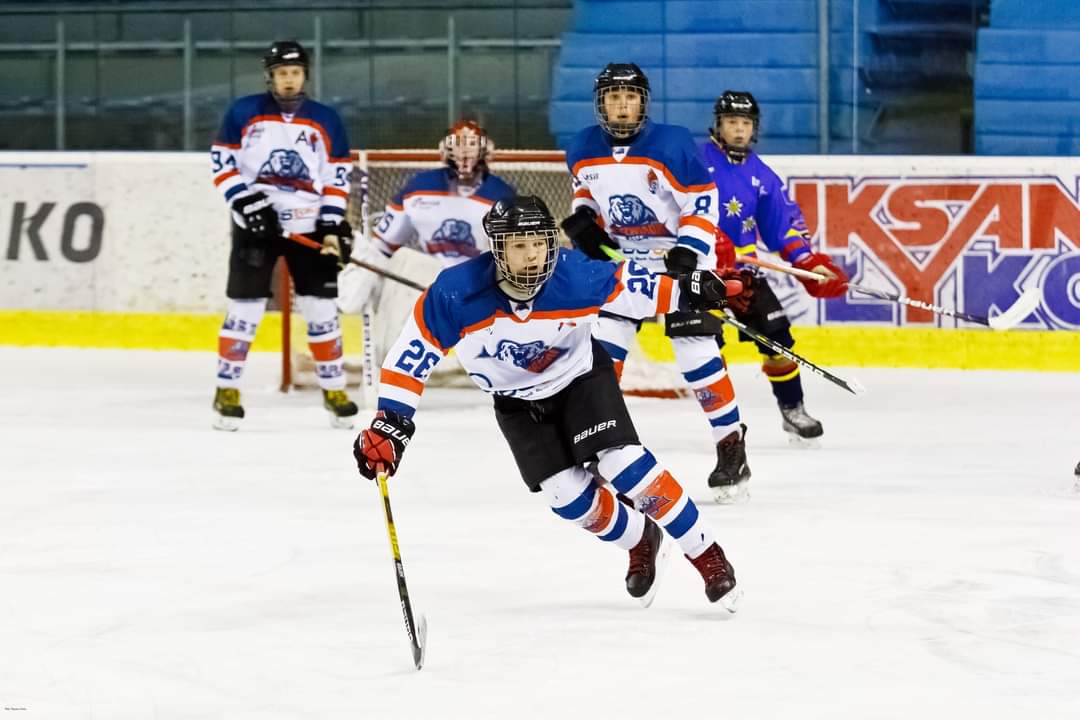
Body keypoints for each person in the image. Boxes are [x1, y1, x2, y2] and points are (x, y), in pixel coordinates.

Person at [352, 196, 744, 609]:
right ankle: (641, 538)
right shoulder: (456, 293)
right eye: (519, 245)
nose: (532, 255)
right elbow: (409, 359)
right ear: (497, 249)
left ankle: (708, 555)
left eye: (538, 243)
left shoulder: (572, 275)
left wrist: (687, 291)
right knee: (566, 497)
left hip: (580, 381)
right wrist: (391, 423)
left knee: (622, 464)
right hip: (517, 403)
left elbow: (637, 288)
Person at [560, 63, 753, 504]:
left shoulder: (671, 143)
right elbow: (587, 195)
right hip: (626, 264)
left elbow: (703, 200)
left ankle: (730, 443)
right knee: (602, 356)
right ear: (601, 103)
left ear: (643, 102)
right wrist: (585, 222)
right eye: (613, 97)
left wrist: (688, 250)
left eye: (630, 97)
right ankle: (604, 449)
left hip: (681, 257)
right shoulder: (582, 147)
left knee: (695, 353)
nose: (622, 105)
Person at [209, 40, 358, 431]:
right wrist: (246, 203)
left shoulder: (326, 119)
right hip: (255, 228)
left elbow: (336, 176)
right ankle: (227, 389)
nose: (289, 80)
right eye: (281, 73)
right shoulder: (244, 112)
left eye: (295, 73)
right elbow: (222, 162)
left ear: (304, 75)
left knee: (322, 310)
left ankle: (335, 390)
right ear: (270, 76)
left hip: (308, 226)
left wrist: (330, 224)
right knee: (245, 309)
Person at [700, 90, 849, 443]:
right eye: (732, 122)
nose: (739, 130)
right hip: (701, 273)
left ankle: (792, 408)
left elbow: (782, 228)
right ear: (718, 125)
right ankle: (723, 420)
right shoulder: (692, 160)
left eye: (745, 124)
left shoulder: (762, 175)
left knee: (778, 337)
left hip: (745, 275)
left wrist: (809, 263)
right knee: (705, 347)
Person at [336, 120, 516, 315]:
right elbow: (381, 246)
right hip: (428, 288)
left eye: (471, 146)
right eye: (458, 146)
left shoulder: (503, 196)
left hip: (479, 291)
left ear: (484, 151)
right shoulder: (420, 188)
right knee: (407, 261)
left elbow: (513, 257)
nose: (464, 154)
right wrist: (357, 279)